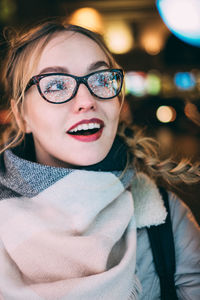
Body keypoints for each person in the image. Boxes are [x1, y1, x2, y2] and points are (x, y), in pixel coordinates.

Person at [0, 19, 199, 300]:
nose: (86, 100)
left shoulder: (166, 216)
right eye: (56, 84)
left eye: (102, 79)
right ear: (21, 115)